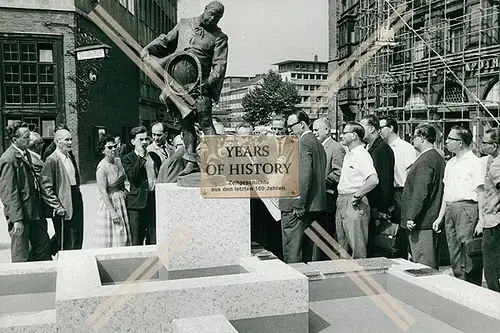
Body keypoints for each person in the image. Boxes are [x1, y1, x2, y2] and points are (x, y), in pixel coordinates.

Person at [141, 1, 228, 177]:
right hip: (177, 87)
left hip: (200, 88)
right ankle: (191, 162)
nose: (212, 18)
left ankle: (215, 163)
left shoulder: (219, 37)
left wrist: (208, 83)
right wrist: (148, 48)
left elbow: (219, 66)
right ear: (205, 10)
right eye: (211, 13)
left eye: (217, 17)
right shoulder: (184, 23)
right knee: (186, 126)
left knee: (206, 124)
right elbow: (165, 40)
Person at [431, 126, 484, 285]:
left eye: (450, 139)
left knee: (467, 250)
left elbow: (481, 192)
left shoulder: (475, 162)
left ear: (460, 142)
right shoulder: (451, 163)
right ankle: (459, 283)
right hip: (450, 209)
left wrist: (481, 220)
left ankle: (472, 286)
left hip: (467, 209)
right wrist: (440, 217)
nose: (446, 142)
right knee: (453, 249)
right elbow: (446, 193)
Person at [279, 110, 326, 263]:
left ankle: (293, 283)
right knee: (310, 249)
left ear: (302, 124)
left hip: (297, 206)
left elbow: (303, 175)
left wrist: (298, 203)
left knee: (292, 247)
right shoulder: (317, 143)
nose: (289, 129)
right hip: (314, 205)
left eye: (291, 126)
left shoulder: (302, 143)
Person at [0, 122, 51, 262]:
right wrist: (16, 220)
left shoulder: (26, 154)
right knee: (21, 253)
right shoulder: (8, 159)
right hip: (22, 215)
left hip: (35, 212)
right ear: (14, 139)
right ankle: (21, 282)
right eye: (26, 137)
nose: (30, 140)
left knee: (42, 247)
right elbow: (9, 193)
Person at [401, 123, 445, 270]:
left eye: (414, 136)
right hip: (427, 219)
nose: (412, 139)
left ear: (423, 138)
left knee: (423, 265)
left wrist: (411, 216)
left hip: (422, 221)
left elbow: (421, 191)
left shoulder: (426, 160)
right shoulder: (435, 157)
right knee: (426, 262)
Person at [336, 122, 379, 259]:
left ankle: (360, 276)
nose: (342, 135)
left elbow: (373, 179)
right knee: (342, 245)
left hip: (353, 201)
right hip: (343, 200)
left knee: (357, 246)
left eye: (345, 132)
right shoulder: (350, 154)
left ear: (354, 135)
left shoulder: (361, 155)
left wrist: (357, 195)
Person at [40, 129, 84, 252]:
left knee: (77, 234)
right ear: (57, 141)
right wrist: (57, 206)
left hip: (75, 197)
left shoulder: (69, 156)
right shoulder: (51, 160)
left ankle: (76, 260)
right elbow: (45, 187)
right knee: (66, 238)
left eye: (71, 139)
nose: (70, 142)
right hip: (63, 203)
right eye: (66, 140)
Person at [379, 116, 417, 259]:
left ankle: (404, 256)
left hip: (401, 191)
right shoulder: (383, 147)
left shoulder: (405, 148)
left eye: (382, 127)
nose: (380, 131)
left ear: (392, 128)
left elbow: (410, 174)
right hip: (388, 192)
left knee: (401, 228)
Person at [360, 115, 395, 257]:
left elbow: (385, 180)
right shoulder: (370, 147)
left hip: (377, 206)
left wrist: (383, 208)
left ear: (371, 128)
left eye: (362, 127)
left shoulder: (382, 149)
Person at [122, 126, 162, 245]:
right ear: (133, 142)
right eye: (141, 140)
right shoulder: (127, 158)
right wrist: (140, 157)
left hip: (152, 200)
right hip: (137, 204)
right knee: (137, 238)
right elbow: (132, 176)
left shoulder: (154, 157)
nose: (144, 143)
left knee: (153, 237)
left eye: (146, 139)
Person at [92, 135, 132, 248]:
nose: (113, 149)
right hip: (111, 201)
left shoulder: (118, 161)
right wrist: (112, 212)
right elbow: (103, 191)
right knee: (114, 234)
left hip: (122, 198)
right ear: (103, 150)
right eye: (109, 147)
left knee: (125, 232)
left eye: (114, 146)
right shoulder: (101, 168)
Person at [312, 118, 345, 240]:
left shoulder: (336, 147)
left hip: (329, 198)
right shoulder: (317, 146)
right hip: (319, 197)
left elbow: (339, 172)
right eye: (313, 130)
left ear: (326, 130)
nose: (314, 133)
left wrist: (322, 182)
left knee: (327, 232)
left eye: (316, 130)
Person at [478, 128, 500, 292]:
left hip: (494, 222)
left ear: (494, 145)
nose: (481, 145)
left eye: (484, 142)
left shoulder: (496, 166)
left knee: (491, 270)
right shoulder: (491, 162)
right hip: (492, 220)